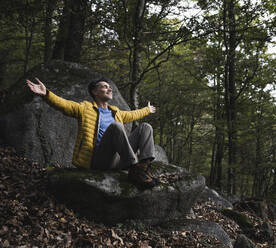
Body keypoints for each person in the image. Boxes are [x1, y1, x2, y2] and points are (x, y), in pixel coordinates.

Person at [26, 77, 160, 189]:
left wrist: (147, 110)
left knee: (145, 127)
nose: (110, 89)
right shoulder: (85, 108)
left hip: (118, 160)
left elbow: (133, 114)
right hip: (99, 160)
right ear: (95, 91)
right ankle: (134, 168)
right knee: (116, 127)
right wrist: (46, 94)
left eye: (109, 87)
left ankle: (143, 167)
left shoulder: (116, 112)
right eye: (105, 86)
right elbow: (65, 105)